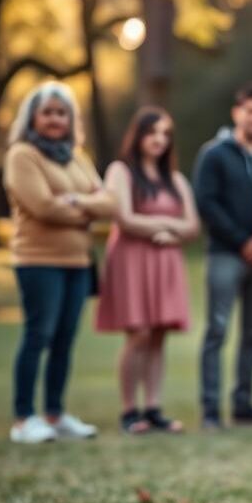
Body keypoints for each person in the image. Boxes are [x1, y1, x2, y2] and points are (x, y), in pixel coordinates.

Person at [3, 80, 116, 443]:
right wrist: (86, 206)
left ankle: (54, 414)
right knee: (39, 335)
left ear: (71, 119)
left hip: (78, 262)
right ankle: (24, 419)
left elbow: (110, 203)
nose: (55, 119)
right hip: (38, 261)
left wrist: (74, 202)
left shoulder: (76, 157)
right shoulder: (23, 155)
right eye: (48, 112)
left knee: (65, 339)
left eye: (62, 112)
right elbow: (43, 206)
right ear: (33, 117)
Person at [96, 107, 200, 434]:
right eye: (153, 132)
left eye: (166, 134)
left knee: (158, 335)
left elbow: (193, 225)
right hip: (132, 259)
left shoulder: (175, 180)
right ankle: (129, 410)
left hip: (165, 259)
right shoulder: (121, 172)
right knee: (138, 333)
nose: (159, 139)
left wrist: (170, 233)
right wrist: (168, 224)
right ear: (138, 135)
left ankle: (153, 407)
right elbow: (124, 217)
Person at [193, 82, 252, 429]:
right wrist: (243, 240)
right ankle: (211, 411)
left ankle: (243, 406)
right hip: (225, 254)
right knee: (217, 329)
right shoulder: (214, 154)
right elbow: (207, 203)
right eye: (251, 111)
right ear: (237, 113)